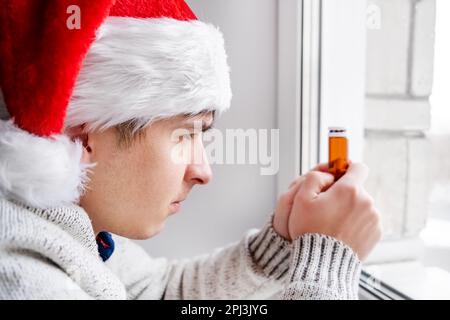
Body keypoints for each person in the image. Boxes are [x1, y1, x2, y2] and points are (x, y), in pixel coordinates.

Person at [0, 0, 381, 300]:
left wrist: (280, 244)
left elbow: (157, 292)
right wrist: (328, 262)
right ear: (85, 136)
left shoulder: (75, 230)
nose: (204, 171)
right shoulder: (24, 278)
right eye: (184, 135)